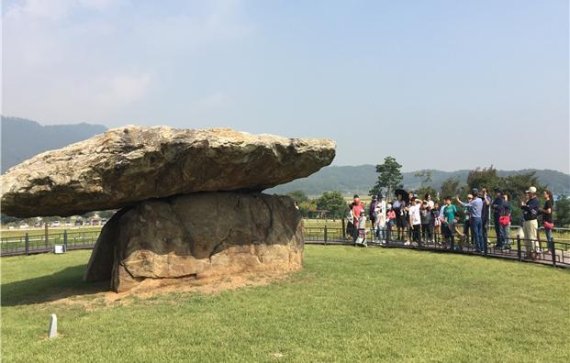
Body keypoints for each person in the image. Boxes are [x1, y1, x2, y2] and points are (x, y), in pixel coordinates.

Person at [457, 189, 484, 253]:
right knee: (480, 234)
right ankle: (482, 248)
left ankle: (478, 248)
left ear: (472, 194)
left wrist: (458, 200)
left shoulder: (473, 202)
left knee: (476, 234)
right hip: (480, 218)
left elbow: (465, 205)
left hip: (474, 218)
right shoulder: (480, 200)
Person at [521, 186, 540, 259]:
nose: (528, 194)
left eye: (529, 193)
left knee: (532, 237)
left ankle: (535, 252)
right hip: (526, 220)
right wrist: (525, 204)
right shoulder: (529, 200)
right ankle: (529, 252)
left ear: (532, 193)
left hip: (532, 221)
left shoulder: (535, 200)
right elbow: (523, 207)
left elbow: (528, 207)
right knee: (526, 238)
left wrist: (525, 205)